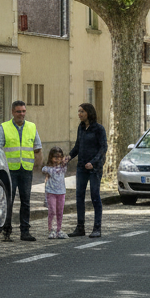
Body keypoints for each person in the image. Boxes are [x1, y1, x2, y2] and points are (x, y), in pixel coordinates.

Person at [0, 100, 42, 242]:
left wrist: (38, 167)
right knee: (8, 201)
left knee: (26, 202)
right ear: (12, 112)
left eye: (23, 111)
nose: (21, 114)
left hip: (26, 170)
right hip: (10, 171)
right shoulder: (4, 127)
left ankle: (25, 232)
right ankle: (6, 231)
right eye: (18, 111)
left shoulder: (32, 127)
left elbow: (37, 148)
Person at [69, 102, 107, 238]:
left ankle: (97, 228)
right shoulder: (81, 128)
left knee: (95, 196)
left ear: (88, 113)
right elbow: (77, 146)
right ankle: (80, 227)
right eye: (78, 111)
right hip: (81, 167)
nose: (79, 114)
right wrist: (68, 156)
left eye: (82, 111)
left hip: (95, 168)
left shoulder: (99, 129)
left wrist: (94, 162)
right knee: (79, 196)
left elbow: (103, 149)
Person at [42, 147, 68, 239]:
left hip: (61, 192)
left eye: (60, 157)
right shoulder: (48, 168)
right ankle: (51, 229)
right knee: (52, 211)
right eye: (55, 157)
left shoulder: (63, 167)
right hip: (51, 192)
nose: (58, 159)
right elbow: (43, 169)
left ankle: (59, 229)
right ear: (51, 158)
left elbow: (66, 162)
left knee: (60, 211)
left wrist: (65, 159)